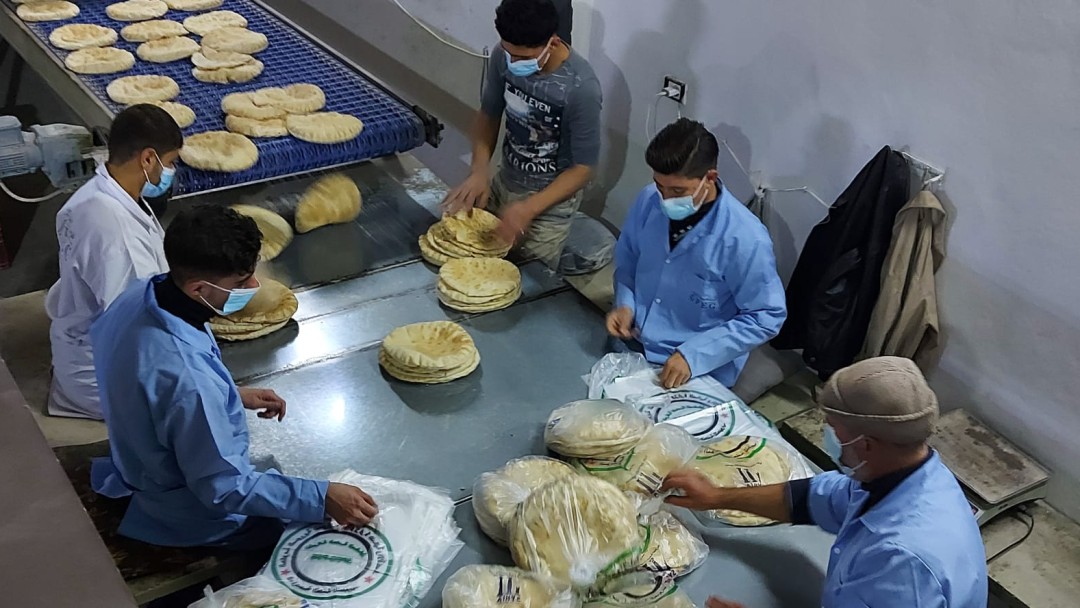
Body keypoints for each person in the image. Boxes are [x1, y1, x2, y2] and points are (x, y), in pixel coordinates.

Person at [89, 205, 378, 548]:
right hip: (185, 511)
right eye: (241, 282)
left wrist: (229, 392)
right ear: (199, 289)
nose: (254, 286)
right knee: (306, 543)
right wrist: (321, 497)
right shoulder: (191, 383)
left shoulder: (140, 294)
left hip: (134, 454)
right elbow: (222, 488)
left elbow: (149, 381)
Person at [663, 357, 988, 608]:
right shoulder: (907, 472)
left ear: (866, 444)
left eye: (833, 428)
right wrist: (716, 496)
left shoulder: (903, 564)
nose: (828, 435)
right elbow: (815, 498)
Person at [607, 119, 786, 389]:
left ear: (709, 178)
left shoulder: (744, 238)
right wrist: (625, 303)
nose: (665, 199)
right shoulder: (648, 201)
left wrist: (695, 355)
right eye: (660, 186)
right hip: (634, 341)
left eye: (678, 191)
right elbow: (629, 257)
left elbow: (765, 316)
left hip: (694, 367)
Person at [45, 104, 182, 419]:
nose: (170, 172)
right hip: (100, 375)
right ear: (148, 159)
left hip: (77, 339)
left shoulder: (95, 194)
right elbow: (135, 325)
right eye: (170, 162)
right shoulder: (114, 230)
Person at [442, 0, 602, 269]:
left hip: (550, 205)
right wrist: (479, 171)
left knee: (524, 280)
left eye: (525, 58)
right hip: (506, 182)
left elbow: (584, 168)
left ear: (552, 42)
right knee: (470, 264)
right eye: (509, 54)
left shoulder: (581, 88)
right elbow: (489, 114)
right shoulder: (501, 57)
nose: (514, 63)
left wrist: (529, 208)